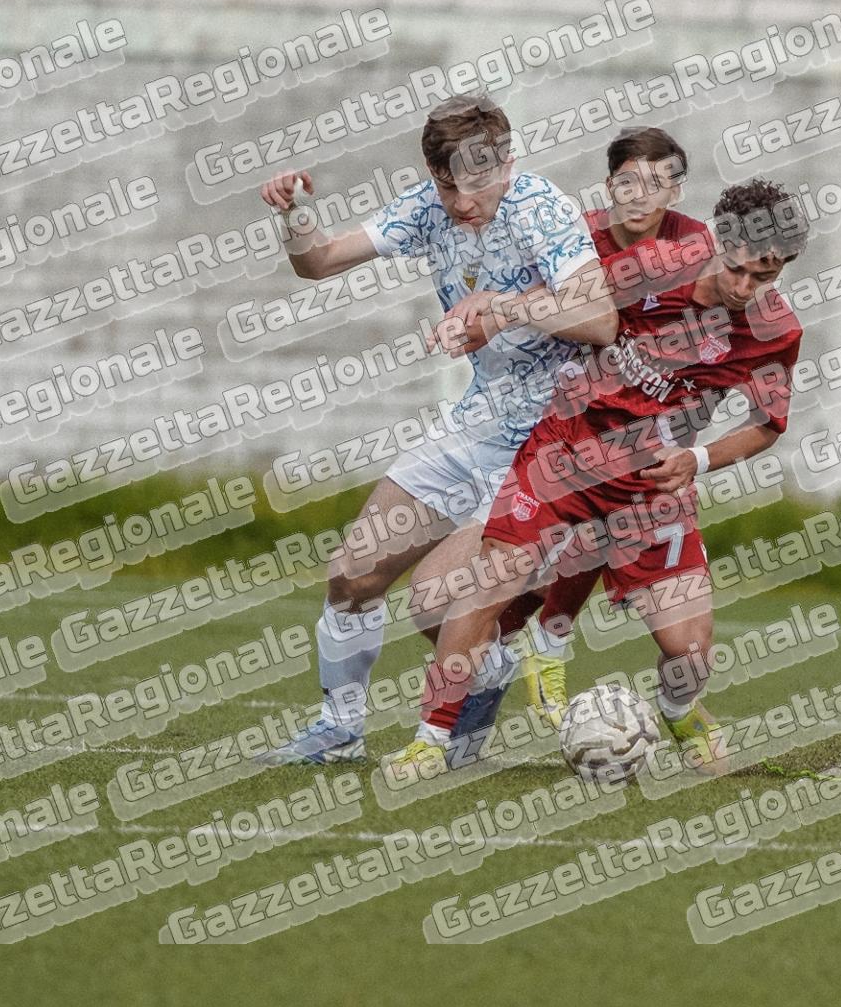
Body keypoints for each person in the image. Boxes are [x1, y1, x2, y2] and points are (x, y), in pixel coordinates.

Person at [384, 177, 809, 781]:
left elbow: (767, 425)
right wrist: (494, 310)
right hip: (564, 456)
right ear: (717, 241)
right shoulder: (652, 267)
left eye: (764, 276)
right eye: (736, 269)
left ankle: (679, 711)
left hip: (650, 491)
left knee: (689, 653)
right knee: (486, 582)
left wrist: (699, 459)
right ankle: (429, 742)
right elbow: (565, 292)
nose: (744, 288)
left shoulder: (776, 331)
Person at [253, 94, 615, 765]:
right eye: (447, 187)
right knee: (352, 575)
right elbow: (319, 261)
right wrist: (294, 214)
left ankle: (476, 678)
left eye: (476, 185)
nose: (461, 203)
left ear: (506, 163)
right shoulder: (427, 208)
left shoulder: (540, 208)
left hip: (548, 442)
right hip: (477, 424)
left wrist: (499, 307)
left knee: (436, 602)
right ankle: (340, 730)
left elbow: (600, 319)